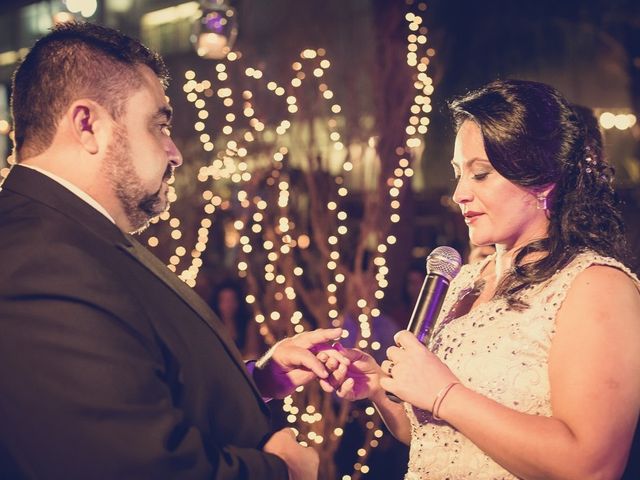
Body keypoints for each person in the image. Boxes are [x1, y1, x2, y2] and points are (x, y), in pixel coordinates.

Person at [0, 21, 348, 479]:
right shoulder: (37, 256)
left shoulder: (71, 234)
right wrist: (283, 470)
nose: (174, 152)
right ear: (87, 125)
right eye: (159, 125)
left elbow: (123, 382)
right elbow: (132, 464)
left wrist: (250, 382)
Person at [328, 79, 640, 479]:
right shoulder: (464, 282)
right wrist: (379, 388)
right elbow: (436, 437)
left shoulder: (594, 286)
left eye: (481, 174)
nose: (459, 193)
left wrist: (445, 394)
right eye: (459, 173)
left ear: (541, 177)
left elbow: (590, 466)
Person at [209, 279, 262, 359]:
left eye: (231, 300)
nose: (228, 305)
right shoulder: (212, 326)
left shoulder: (248, 324)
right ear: (218, 303)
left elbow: (253, 354)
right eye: (224, 301)